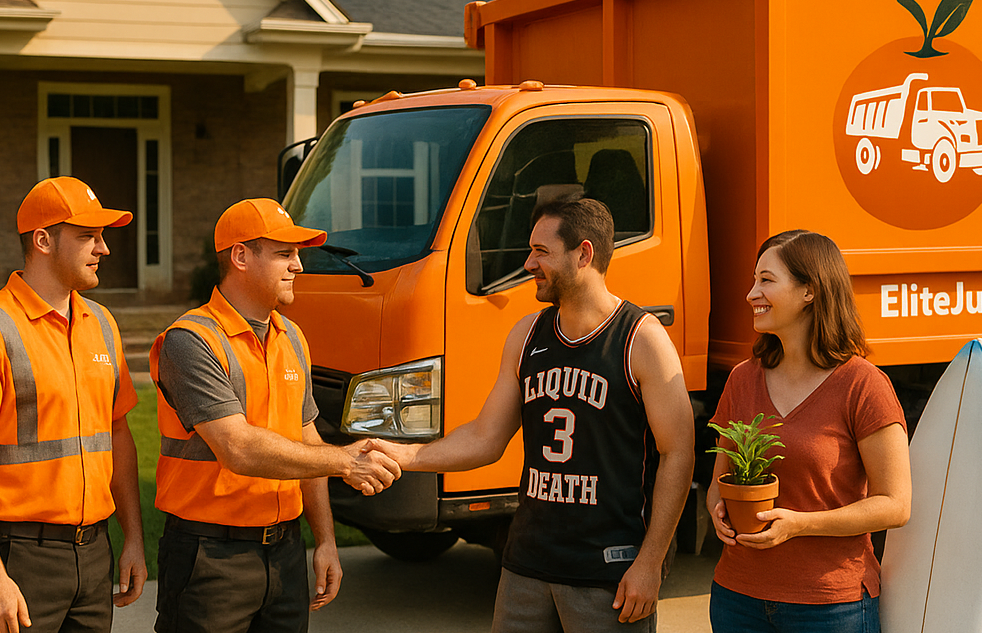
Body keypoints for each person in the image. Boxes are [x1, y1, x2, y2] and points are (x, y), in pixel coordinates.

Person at [373, 197, 694, 632]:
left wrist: (650, 562)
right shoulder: (526, 335)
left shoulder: (641, 340)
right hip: (525, 566)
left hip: (608, 573)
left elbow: (679, 453)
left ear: (584, 253)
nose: (528, 263)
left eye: (542, 252)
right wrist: (405, 456)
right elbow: (486, 438)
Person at [150, 198, 402, 633]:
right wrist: (347, 462)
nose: (298, 266)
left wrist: (324, 541)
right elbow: (239, 449)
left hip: (285, 552)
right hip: (209, 558)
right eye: (285, 254)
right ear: (241, 257)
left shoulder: (291, 336)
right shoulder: (190, 341)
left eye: (297, 254)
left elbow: (308, 445)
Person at [706, 229, 912, 632]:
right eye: (753, 280)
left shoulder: (863, 385)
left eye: (766, 280)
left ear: (809, 291)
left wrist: (802, 524)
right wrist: (719, 510)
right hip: (737, 599)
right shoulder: (742, 380)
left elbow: (895, 505)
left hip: (829, 607)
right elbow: (719, 483)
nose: (751, 293)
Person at [0, 176, 147, 633]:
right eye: (88, 236)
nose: (103, 249)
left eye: (102, 237)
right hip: (19, 559)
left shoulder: (101, 322)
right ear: (43, 240)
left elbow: (117, 433)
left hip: (94, 554)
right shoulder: (2, 328)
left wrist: (134, 540)